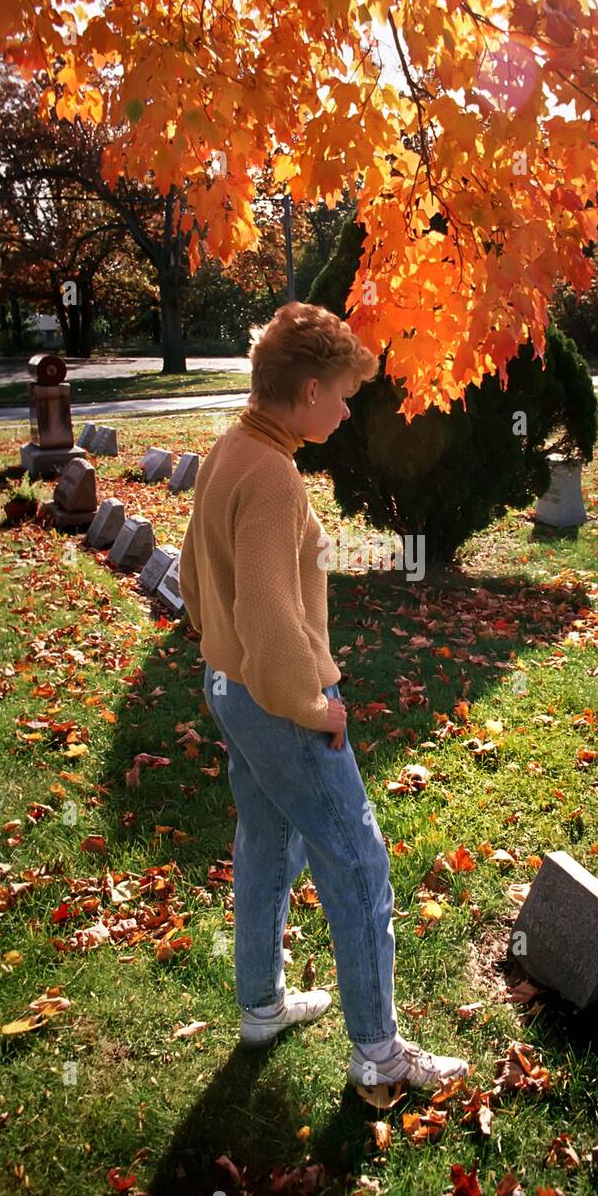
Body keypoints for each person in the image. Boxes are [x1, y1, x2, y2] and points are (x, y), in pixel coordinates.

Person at [179, 301, 470, 1091]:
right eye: (342, 394)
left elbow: (194, 569)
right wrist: (313, 707)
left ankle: (261, 1006)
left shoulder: (229, 449)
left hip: (230, 687)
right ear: (307, 391)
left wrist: (219, 651)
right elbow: (269, 615)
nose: (347, 410)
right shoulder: (271, 478)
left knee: (268, 846)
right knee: (359, 862)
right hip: (275, 700)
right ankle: (379, 1056)